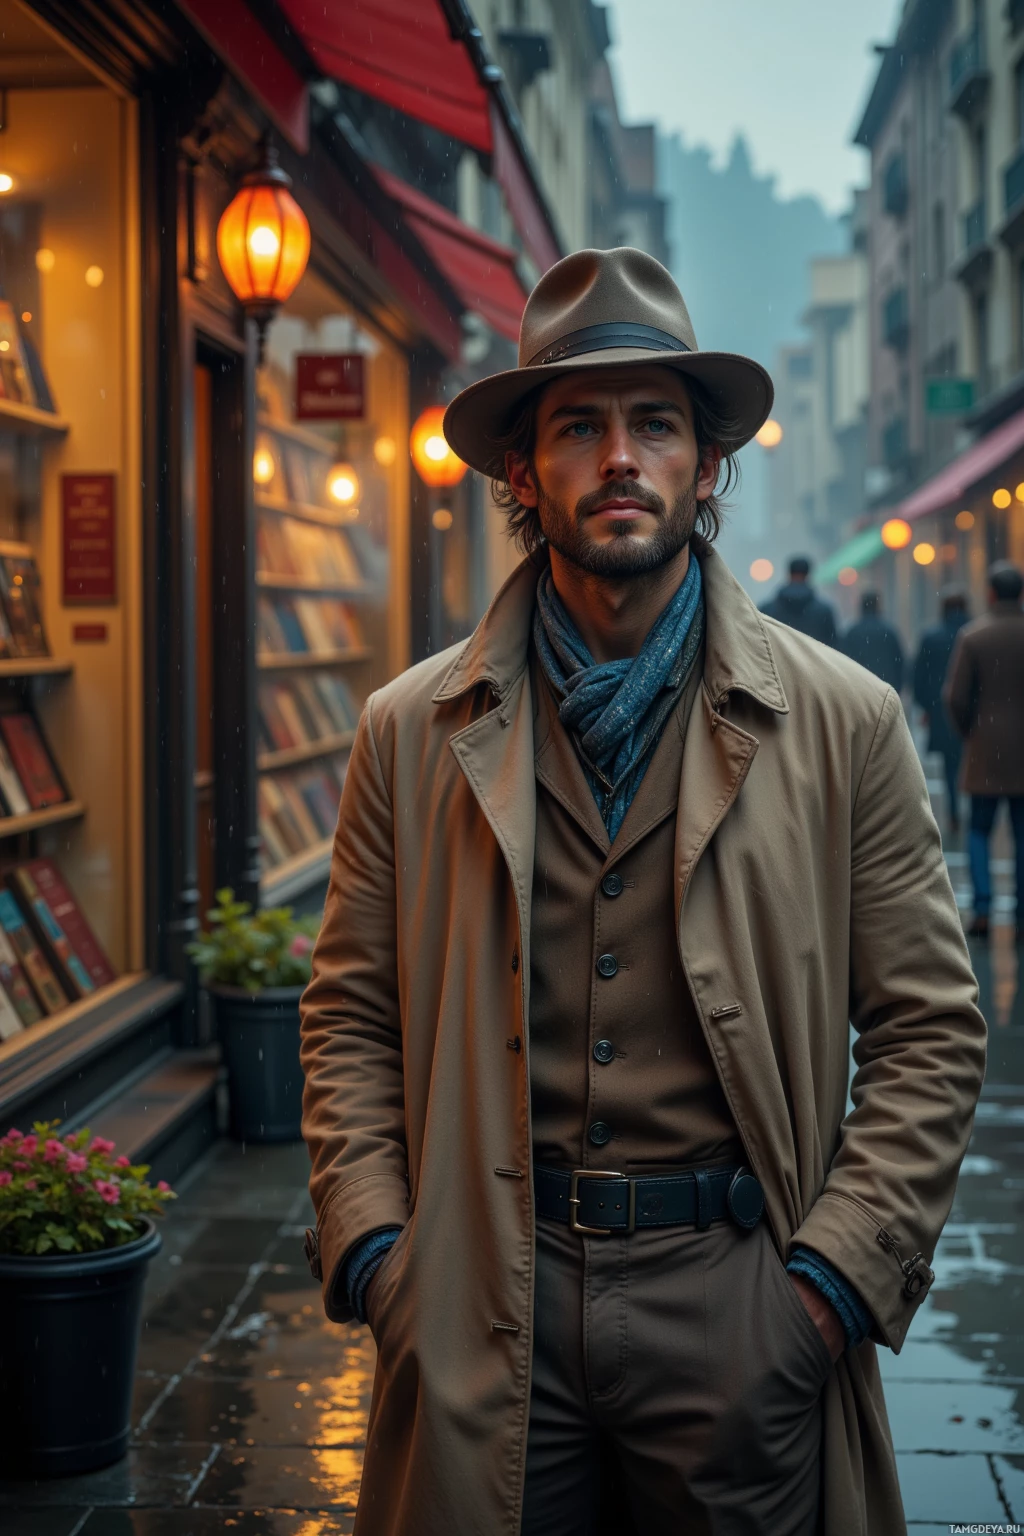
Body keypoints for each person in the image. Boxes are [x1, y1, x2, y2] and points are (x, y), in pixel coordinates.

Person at [299, 248, 985, 1536]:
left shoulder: (843, 723)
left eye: (655, 424)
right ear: (523, 470)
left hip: (737, 1288)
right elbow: (346, 1017)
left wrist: (826, 1287)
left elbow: (930, 1031)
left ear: (705, 465)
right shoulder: (408, 728)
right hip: (481, 1292)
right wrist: (382, 1254)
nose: (621, 457)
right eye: (580, 426)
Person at [945, 560, 1024, 941]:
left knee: (979, 830)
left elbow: (955, 697)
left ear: (991, 592)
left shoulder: (974, 636)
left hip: (985, 746)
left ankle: (982, 909)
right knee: (1023, 834)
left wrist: (970, 732)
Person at [913, 587, 970, 833]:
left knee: (950, 764)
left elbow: (919, 676)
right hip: (975, 711)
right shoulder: (974, 634)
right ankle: (971, 809)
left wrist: (926, 706)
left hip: (941, 710)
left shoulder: (932, 637)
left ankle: (955, 811)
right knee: (975, 761)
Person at [760, 554, 838, 646]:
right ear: (808, 575)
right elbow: (833, 648)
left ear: (789, 574)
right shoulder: (823, 611)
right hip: (811, 660)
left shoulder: (767, 610)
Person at [841, 590, 905, 692]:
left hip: (858, 690)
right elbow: (899, 665)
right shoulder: (889, 632)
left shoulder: (852, 633)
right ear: (877, 607)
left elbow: (843, 663)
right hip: (884, 690)